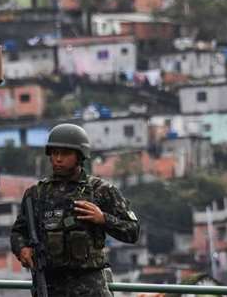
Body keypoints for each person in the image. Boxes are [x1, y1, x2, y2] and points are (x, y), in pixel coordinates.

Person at [11, 123, 140, 297]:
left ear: (80, 156)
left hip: (90, 286)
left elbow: (132, 231)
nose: (58, 159)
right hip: (49, 285)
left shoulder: (100, 190)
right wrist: (22, 249)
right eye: (54, 153)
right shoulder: (36, 193)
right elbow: (18, 231)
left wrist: (103, 219)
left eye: (65, 154)